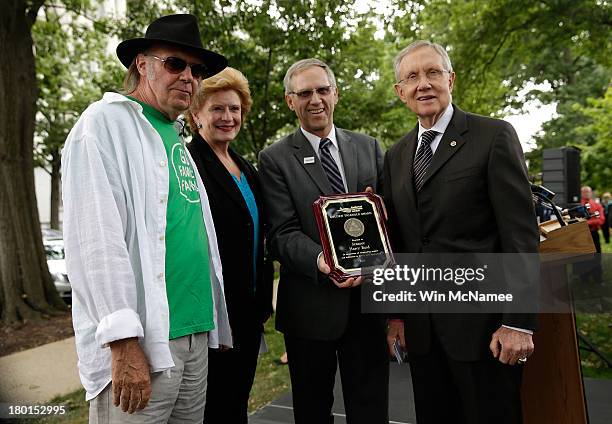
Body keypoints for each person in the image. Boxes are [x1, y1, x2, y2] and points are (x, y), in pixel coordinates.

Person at [61, 14, 232, 423]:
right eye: (176, 64)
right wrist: (123, 342)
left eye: (197, 70)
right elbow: (95, 241)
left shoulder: (176, 135)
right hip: (145, 342)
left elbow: (192, 233)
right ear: (143, 64)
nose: (188, 77)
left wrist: (215, 321)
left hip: (192, 335)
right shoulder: (103, 124)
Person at [383, 40, 539, 424]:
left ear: (450, 78)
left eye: (433, 72)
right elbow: (403, 243)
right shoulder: (396, 155)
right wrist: (398, 317)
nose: (424, 84)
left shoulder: (494, 136)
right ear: (400, 92)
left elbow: (520, 237)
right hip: (423, 335)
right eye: (412, 77)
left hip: (485, 331)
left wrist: (518, 322)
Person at [258, 58, 389, 424]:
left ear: (336, 94)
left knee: (371, 408)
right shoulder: (274, 159)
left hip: (366, 305)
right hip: (310, 310)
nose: (315, 99)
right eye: (304, 93)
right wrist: (324, 261)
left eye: (322, 90)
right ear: (290, 101)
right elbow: (281, 233)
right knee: (313, 411)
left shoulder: (369, 147)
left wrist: (379, 214)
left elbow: (389, 220)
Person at [185, 67, 273, 424]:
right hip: (215, 316)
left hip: (249, 312)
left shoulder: (245, 167)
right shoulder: (189, 164)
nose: (227, 117)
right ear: (196, 115)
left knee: (237, 402)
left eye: (234, 109)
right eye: (217, 109)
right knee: (215, 409)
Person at [578, 186, 605, 283]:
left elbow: (601, 220)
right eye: (584, 192)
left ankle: (598, 278)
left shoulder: (597, 205)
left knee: (596, 257)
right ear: (581, 193)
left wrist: (586, 223)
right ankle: (584, 278)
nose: (586, 194)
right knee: (583, 257)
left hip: (593, 234)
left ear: (591, 193)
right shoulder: (577, 205)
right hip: (581, 235)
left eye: (588, 192)